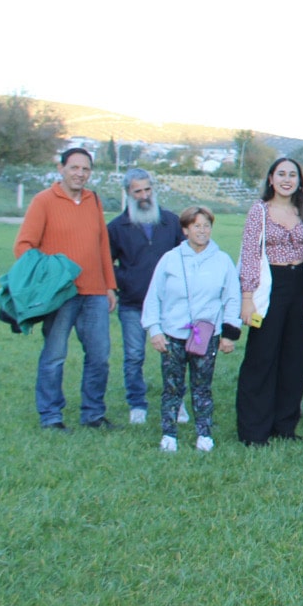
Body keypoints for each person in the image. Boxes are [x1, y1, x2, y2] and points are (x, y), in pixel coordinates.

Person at [19, 147, 120, 432]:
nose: (80, 174)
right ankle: (51, 416)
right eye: (74, 168)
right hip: (61, 295)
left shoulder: (93, 200)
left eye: (85, 169)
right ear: (61, 169)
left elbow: (102, 245)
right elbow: (24, 246)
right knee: (54, 355)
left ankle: (93, 414)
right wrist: (49, 278)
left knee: (99, 355)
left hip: (95, 293)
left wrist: (110, 285)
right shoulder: (44, 201)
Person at [140, 206, 241, 453]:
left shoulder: (222, 261)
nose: (202, 231)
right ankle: (169, 433)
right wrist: (155, 329)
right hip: (173, 333)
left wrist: (229, 333)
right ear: (185, 230)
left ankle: (204, 433)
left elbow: (232, 298)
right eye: (196, 226)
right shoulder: (170, 259)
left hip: (206, 334)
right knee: (172, 386)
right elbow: (154, 296)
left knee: (202, 386)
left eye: (206, 225)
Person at [236, 157, 303, 445]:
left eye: (293, 175)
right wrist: (247, 299)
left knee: (295, 360)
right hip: (269, 286)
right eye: (281, 174)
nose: (287, 179)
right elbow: (249, 254)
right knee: (261, 357)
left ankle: (284, 426)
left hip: (301, 287)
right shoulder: (259, 211)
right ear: (271, 179)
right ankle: (254, 431)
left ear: (300, 181)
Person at [107, 168, 184, 425]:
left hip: (169, 305)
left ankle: (177, 401)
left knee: (174, 356)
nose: (144, 195)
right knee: (134, 356)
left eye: (147, 189)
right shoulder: (117, 227)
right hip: (133, 304)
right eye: (137, 191)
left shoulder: (171, 222)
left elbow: (185, 257)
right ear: (128, 193)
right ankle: (137, 403)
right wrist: (124, 282)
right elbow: (107, 262)